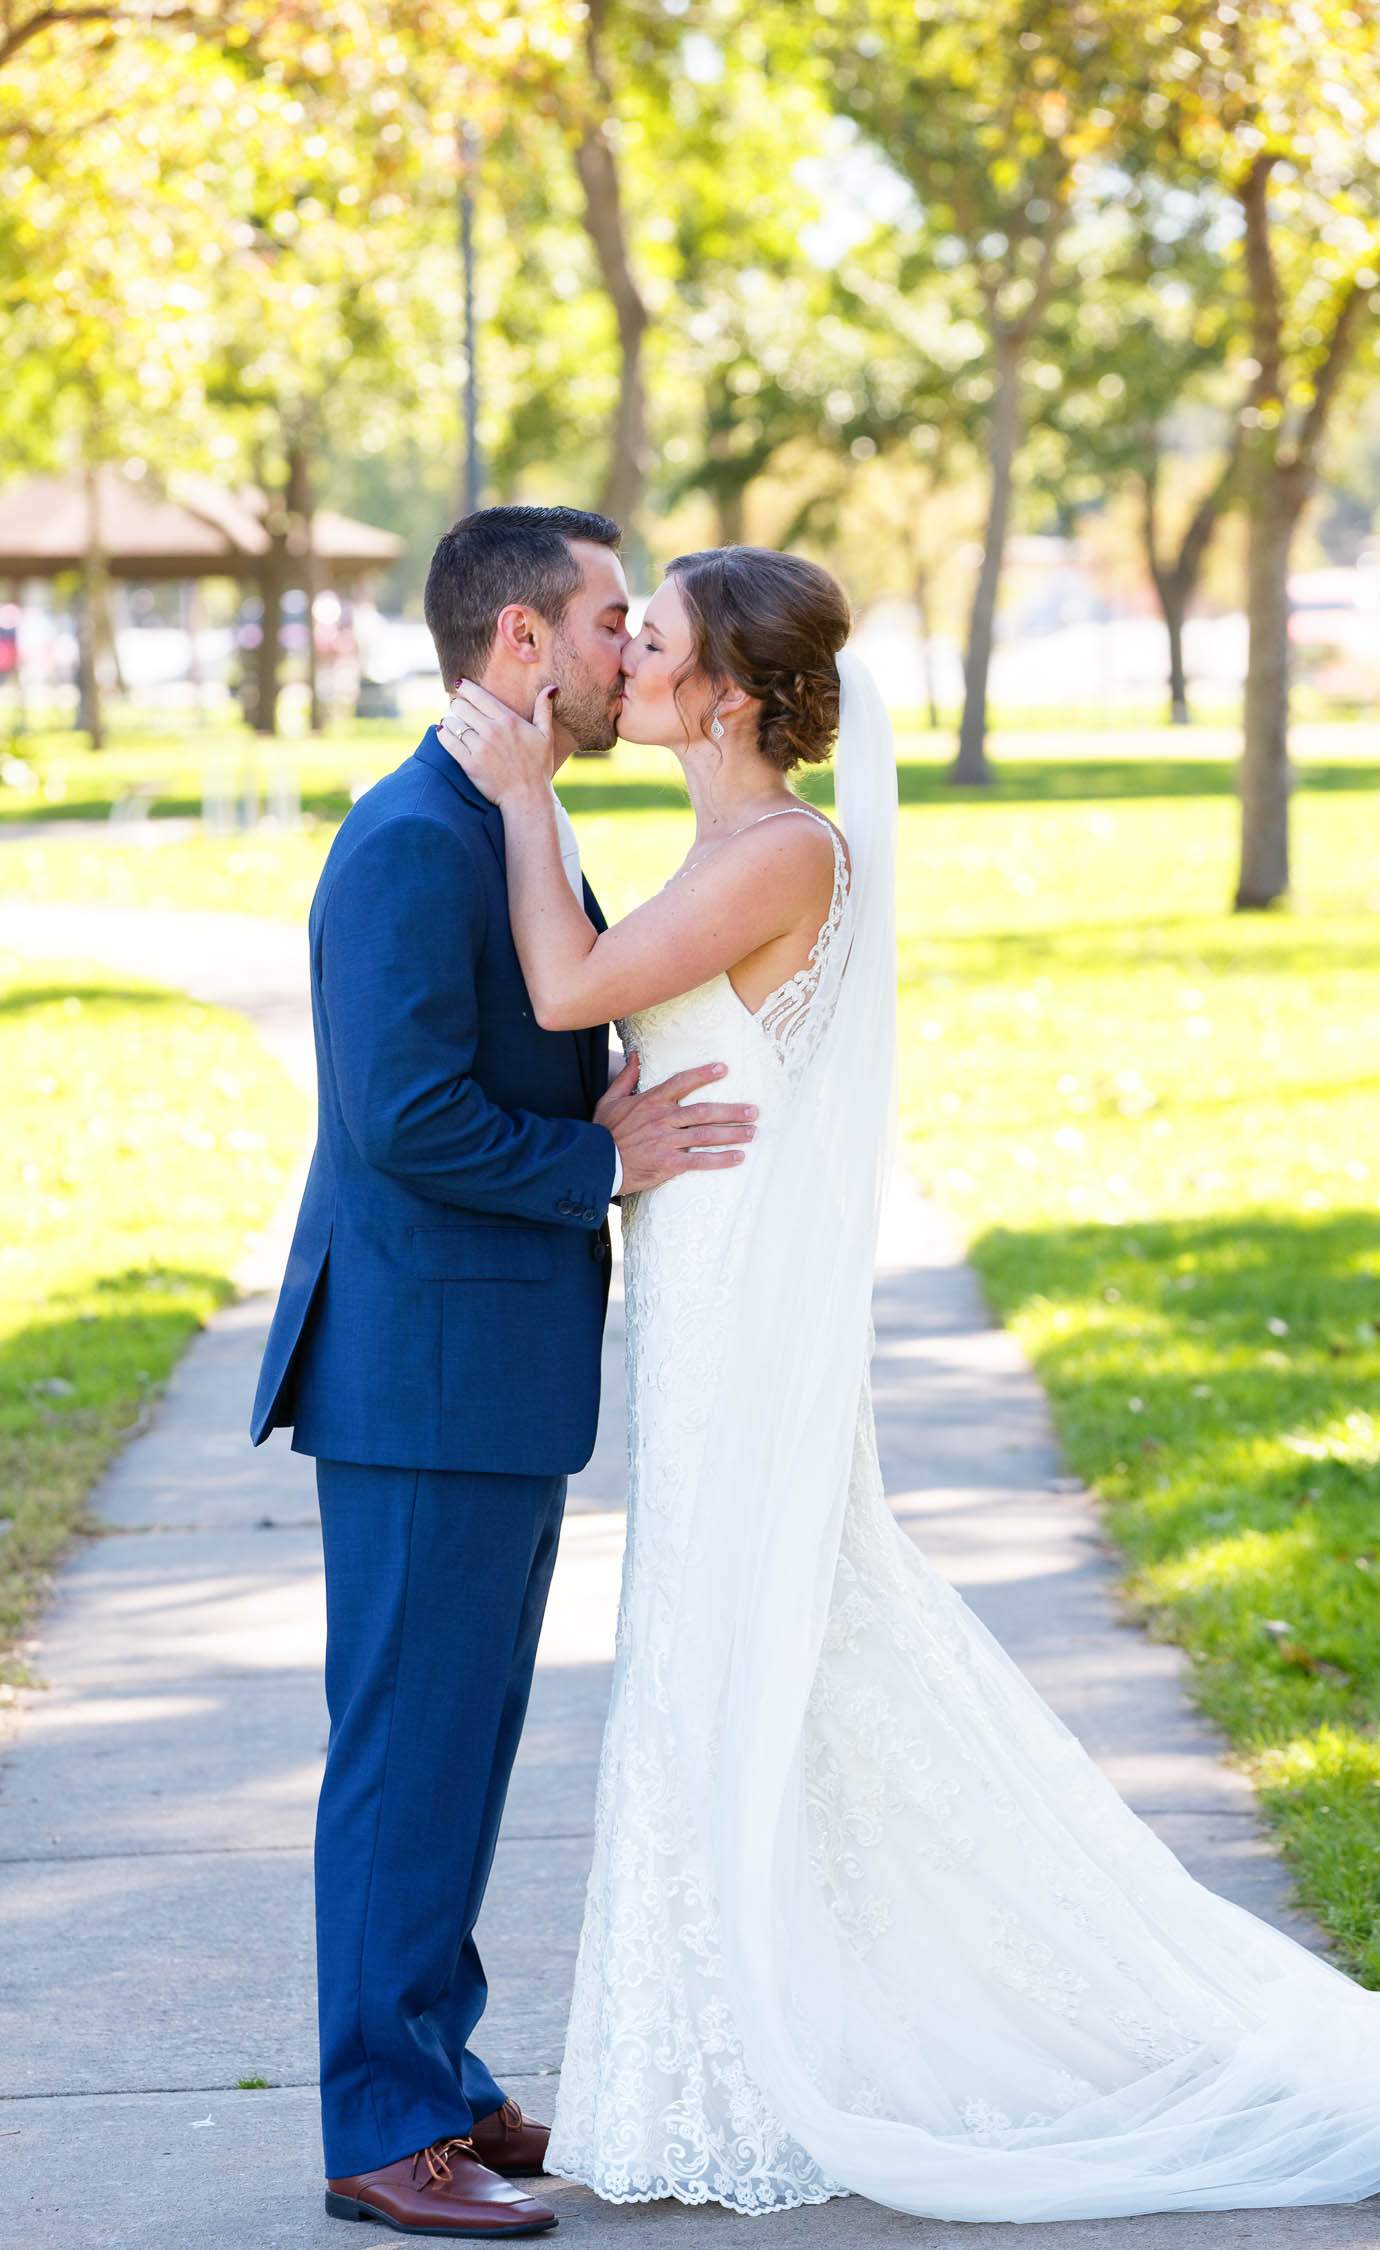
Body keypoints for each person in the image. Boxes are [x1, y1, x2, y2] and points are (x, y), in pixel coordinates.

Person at [439, 541, 1380, 2225]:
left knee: (748, 1627)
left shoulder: (785, 848)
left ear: (726, 693)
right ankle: (715, 2032)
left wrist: (513, 801)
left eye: (656, 644)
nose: (625, 658)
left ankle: (743, 2046)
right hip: (702, 1276)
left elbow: (574, 988)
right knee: (749, 1634)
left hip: (739, 1307)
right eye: (625, 636)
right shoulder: (722, 840)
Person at [250, 505, 758, 2240]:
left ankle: (442, 2077)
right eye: (613, 618)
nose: (635, 650)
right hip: (421, 1374)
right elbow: (401, 1120)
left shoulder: (500, 816)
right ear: (521, 645)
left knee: (460, 1747)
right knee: (407, 1752)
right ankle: (383, 2125)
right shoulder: (412, 840)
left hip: (485, 1370)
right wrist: (600, 1164)